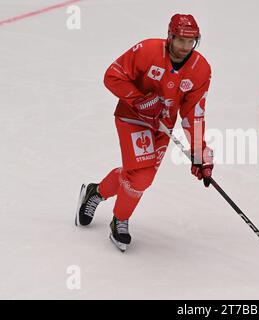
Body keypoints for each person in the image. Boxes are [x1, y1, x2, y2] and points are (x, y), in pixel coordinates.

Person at [75, 14, 214, 252]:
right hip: (132, 118)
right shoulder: (147, 50)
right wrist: (140, 100)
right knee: (141, 176)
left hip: (162, 127)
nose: (184, 47)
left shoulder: (200, 69)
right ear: (169, 37)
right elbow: (112, 76)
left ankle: (95, 193)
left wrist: (199, 153)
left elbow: (194, 114)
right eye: (179, 40)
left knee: (137, 176)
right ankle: (120, 219)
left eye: (190, 41)